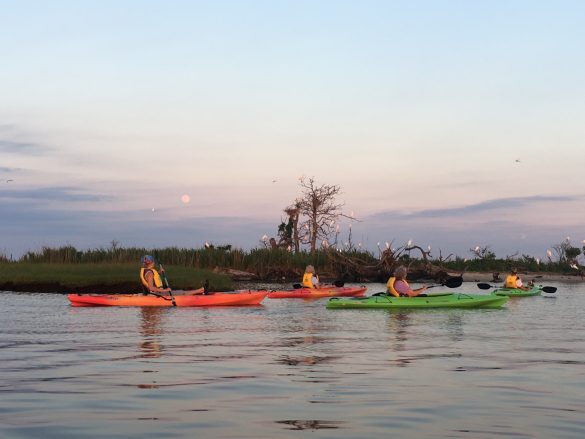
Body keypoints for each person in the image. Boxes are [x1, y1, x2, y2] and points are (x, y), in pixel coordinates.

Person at [139, 255, 205, 295]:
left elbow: (151, 279)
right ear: (150, 263)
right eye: (152, 261)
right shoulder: (150, 273)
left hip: (155, 293)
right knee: (182, 292)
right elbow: (151, 287)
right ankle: (201, 290)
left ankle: (200, 291)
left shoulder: (147, 271)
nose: (154, 262)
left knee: (179, 292)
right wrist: (165, 290)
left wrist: (159, 272)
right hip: (157, 294)